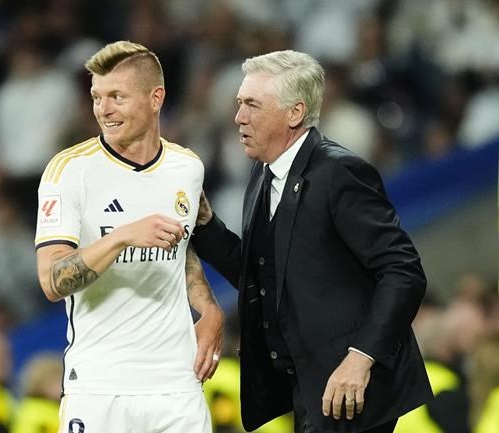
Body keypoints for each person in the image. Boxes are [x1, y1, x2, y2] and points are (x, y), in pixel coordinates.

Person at [192, 49, 432, 433]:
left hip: (353, 387)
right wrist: (206, 225)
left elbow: (403, 271)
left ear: (295, 113)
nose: (239, 117)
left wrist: (361, 357)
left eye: (252, 105)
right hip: (308, 388)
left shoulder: (339, 172)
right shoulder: (263, 174)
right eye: (239, 103)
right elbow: (262, 278)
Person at [35, 40, 223, 433]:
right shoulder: (69, 171)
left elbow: (182, 247)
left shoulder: (186, 168)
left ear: (156, 98)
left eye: (117, 96)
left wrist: (209, 309)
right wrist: (120, 237)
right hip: (101, 386)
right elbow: (52, 281)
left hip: (177, 384)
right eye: (96, 97)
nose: (103, 109)